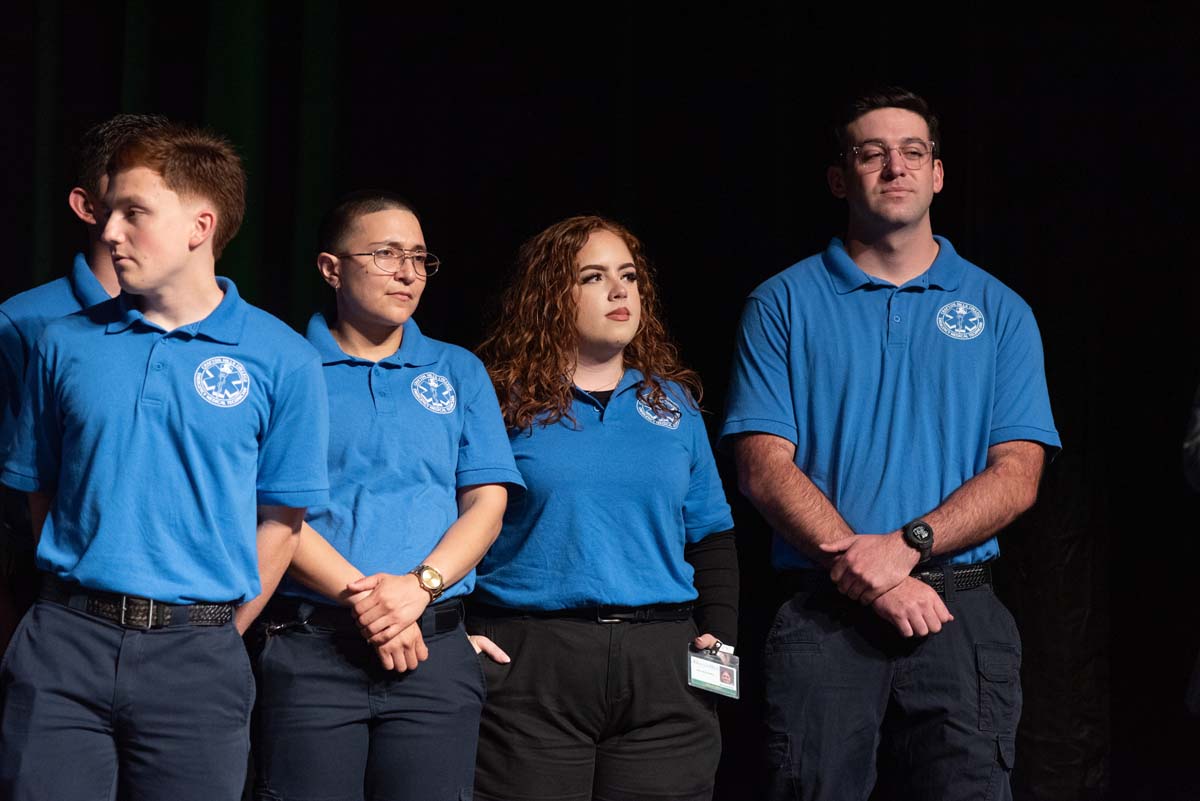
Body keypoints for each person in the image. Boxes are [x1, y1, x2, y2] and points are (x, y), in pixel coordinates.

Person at [720, 88, 1060, 800]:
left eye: (913, 152)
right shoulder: (781, 302)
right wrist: (869, 571)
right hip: (824, 613)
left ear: (938, 173)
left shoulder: (1001, 310)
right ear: (840, 178)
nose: (894, 167)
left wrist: (907, 544)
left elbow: (1019, 473)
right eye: (871, 153)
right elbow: (761, 466)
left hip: (960, 615)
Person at [0, 122, 330, 801]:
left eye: (133, 212)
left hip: (197, 656)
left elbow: (283, 520)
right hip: (64, 646)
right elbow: (40, 492)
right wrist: (74, 598)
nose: (110, 231)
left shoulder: (283, 358)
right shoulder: (61, 344)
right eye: (108, 210)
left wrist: (212, 635)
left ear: (199, 225)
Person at [249, 190, 523, 800]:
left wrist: (417, 589)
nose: (407, 272)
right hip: (313, 647)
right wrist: (376, 605)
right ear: (331, 268)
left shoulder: (456, 370)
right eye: (386, 253)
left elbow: (486, 502)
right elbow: (271, 507)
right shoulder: (285, 366)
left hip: (434, 644)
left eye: (421, 258)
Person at [470, 214, 739, 801]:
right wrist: (455, 635)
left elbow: (711, 534)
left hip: (663, 666)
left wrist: (719, 640)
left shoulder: (672, 404)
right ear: (548, 299)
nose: (620, 291)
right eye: (593, 277)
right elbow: (452, 523)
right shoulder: (496, 402)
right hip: (532, 662)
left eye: (629, 275)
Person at [0, 113, 168, 648]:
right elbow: (17, 481)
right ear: (88, 205)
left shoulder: (209, 323)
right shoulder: (27, 322)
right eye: (127, 189)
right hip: (59, 605)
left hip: (188, 617)